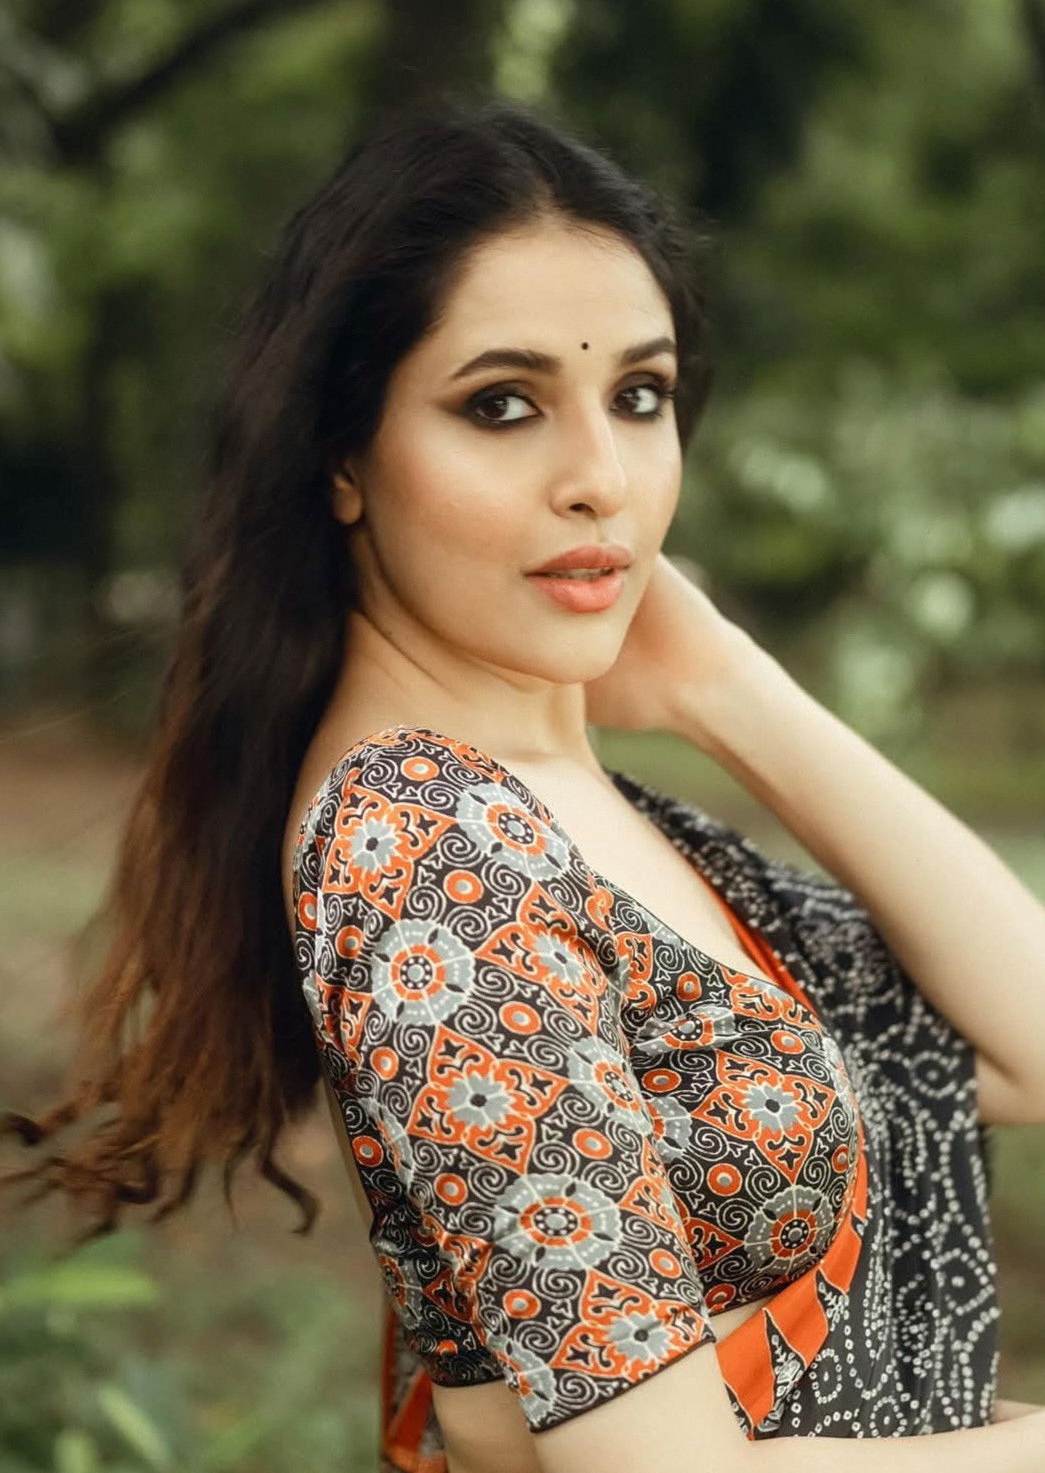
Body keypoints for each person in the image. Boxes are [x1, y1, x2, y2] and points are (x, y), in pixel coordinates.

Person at [4, 92, 1045, 1473]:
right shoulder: (421, 851)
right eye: (502, 406)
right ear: (342, 458)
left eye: (639, 396)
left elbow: (1024, 1048)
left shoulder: (569, 807)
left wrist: (726, 687)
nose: (601, 478)